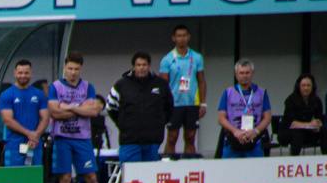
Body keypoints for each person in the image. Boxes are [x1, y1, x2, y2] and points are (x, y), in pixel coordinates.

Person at [48, 53, 113, 183]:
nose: (73, 72)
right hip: (62, 138)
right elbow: (54, 112)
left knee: (91, 177)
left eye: (76, 69)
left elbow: (93, 111)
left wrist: (67, 107)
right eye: (70, 68)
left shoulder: (87, 87)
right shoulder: (56, 87)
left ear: (80, 69)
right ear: (65, 68)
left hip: (83, 138)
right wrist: (80, 108)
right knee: (65, 177)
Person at [107, 52, 173, 163]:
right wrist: (124, 125)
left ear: (149, 66)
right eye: (138, 65)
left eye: (144, 65)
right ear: (133, 67)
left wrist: (158, 124)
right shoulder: (121, 84)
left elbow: (169, 107)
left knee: (150, 173)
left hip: (152, 141)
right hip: (129, 141)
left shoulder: (161, 84)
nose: (141, 68)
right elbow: (111, 107)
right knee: (130, 173)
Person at [159, 24, 207, 158]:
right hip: (174, 104)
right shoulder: (167, 59)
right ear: (174, 38)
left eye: (184, 35)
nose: (182, 39)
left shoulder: (197, 57)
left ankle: (189, 164)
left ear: (189, 37)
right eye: (179, 36)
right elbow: (163, 85)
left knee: (190, 136)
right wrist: (163, 105)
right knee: (172, 136)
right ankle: (168, 164)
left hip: (192, 103)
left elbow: (201, 80)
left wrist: (203, 103)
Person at [216, 59, 271, 160]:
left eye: (247, 73)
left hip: (254, 140)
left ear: (252, 73)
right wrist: (235, 131)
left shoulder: (262, 93)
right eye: (241, 73)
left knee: (256, 169)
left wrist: (255, 131)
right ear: (236, 75)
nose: (244, 76)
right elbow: (221, 118)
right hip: (232, 139)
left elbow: (267, 117)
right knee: (227, 169)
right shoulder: (228, 92)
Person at [0, 59, 49, 167]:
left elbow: (45, 118)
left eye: (26, 73)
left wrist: (36, 135)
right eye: (20, 73)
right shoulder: (7, 94)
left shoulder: (39, 94)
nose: (23, 76)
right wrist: (29, 134)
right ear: (15, 73)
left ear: (31, 73)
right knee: (15, 176)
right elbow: (8, 120)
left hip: (34, 144)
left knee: (34, 175)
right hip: (14, 146)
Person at [280, 74, 325, 156]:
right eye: (303, 85)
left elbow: (319, 119)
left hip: (308, 131)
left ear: (312, 87)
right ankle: (294, 159)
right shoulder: (291, 100)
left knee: (324, 131)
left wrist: (317, 125)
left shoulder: (317, 100)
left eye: (308, 85)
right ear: (299, 87)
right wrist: (309, 125)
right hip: (289, 131)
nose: (306, 88)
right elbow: (292, 123)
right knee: (297, 134)